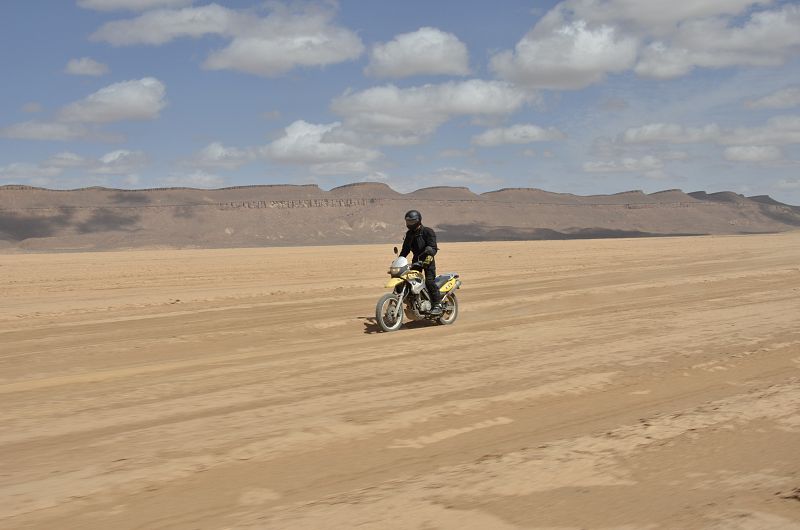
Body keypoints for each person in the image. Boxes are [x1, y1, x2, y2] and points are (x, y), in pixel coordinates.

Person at [400, 210, 443, 316]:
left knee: (429, 281)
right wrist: (400, 259)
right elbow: (405, 250)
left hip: (428, 259)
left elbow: (433, 248)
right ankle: (416, 301)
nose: (409, 224)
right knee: (410, 281)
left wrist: (428, 257)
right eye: (408, 221)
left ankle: (438, 305)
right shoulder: (409, 234)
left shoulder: (428, 232)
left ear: (418, 221)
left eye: (412, 221)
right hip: (416, 260)